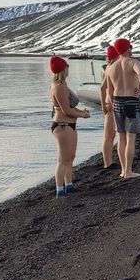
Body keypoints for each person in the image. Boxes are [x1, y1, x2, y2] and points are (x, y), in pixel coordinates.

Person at [105, 38, 140, 180]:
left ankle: (123, 171)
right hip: (131, 101)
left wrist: (112, 104)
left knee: (121, 137)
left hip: (117, 101)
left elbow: (109, 91)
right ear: (127, 48)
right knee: (130, 138)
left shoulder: (111, 67)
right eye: (130, 47)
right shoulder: (133, 62)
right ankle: (128, 171)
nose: (131, 49)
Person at [50, 55, 91, 197]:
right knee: (63, 159)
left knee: (70, 157)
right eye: (67, 67)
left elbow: (70, 108)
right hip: (63, 126)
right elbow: (66, 110)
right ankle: (59, 190)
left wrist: (81, 112)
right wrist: (82, 115)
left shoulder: (63, 85)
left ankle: (68, 185)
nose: (68, 69)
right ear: (63, 69)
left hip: (69, 125)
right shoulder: (58, 87)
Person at [100, 46, 120, 170]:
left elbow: (102, 88)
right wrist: (104, 105)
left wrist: (103, 105)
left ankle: (108, 161)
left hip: (108, 103)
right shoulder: (113, 68)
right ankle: (107, 163)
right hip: (112, 104)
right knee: (110, 135)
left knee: (110, 135)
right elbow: (103, 88)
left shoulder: (108, 68)